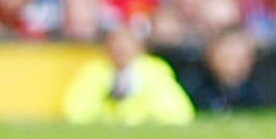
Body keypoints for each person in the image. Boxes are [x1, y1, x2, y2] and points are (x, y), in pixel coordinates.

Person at [62, 17, 196, 126]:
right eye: (116, 45)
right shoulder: (95, 72)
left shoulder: (154, 72)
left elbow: (178, 114)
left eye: (126, 45)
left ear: (139, 48)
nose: (120, 50)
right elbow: (74, 113)